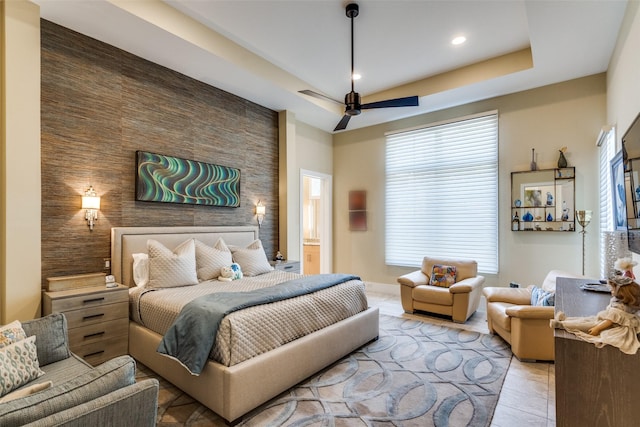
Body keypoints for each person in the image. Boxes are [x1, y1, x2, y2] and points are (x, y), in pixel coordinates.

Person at [550, 276, 640, 354]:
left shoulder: (619, 307)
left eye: (612, 290)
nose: (611, 291)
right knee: (586, 320)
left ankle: (561, 324)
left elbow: (609, 321)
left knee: (587, 324)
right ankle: (565, 321)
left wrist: (597, 328)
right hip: (607, 320)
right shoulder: (628, 303)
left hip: (613, 325)